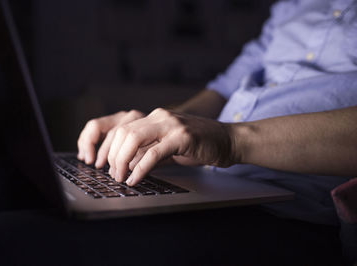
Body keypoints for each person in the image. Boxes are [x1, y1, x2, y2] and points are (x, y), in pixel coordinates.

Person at [77, 0, 357, 226]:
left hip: (291, 215)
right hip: (212, 185)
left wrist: (230, 142)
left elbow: (227, 139)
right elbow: (223, 88)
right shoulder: (291, 7)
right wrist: (159, 126)